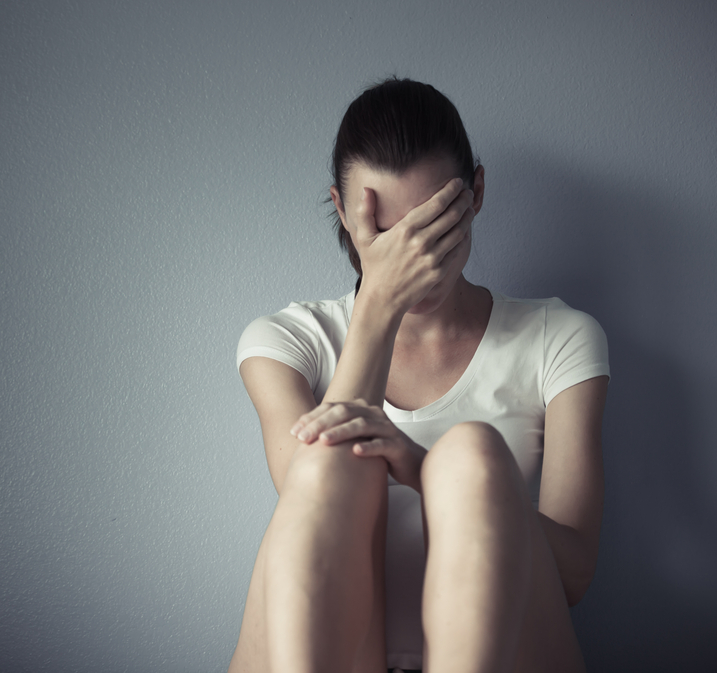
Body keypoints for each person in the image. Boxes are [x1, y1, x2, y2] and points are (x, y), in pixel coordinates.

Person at [228, 77, 609, 673]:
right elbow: (306, 497)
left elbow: (575, 574)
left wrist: (427, 468)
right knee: (328, 458)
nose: (414, 259)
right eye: (386, 235)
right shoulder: (285, 341)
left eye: (434, 228)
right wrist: (378, 304)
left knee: (473, 456)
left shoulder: (557, 339)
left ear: (475, 194)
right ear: (344, 212)